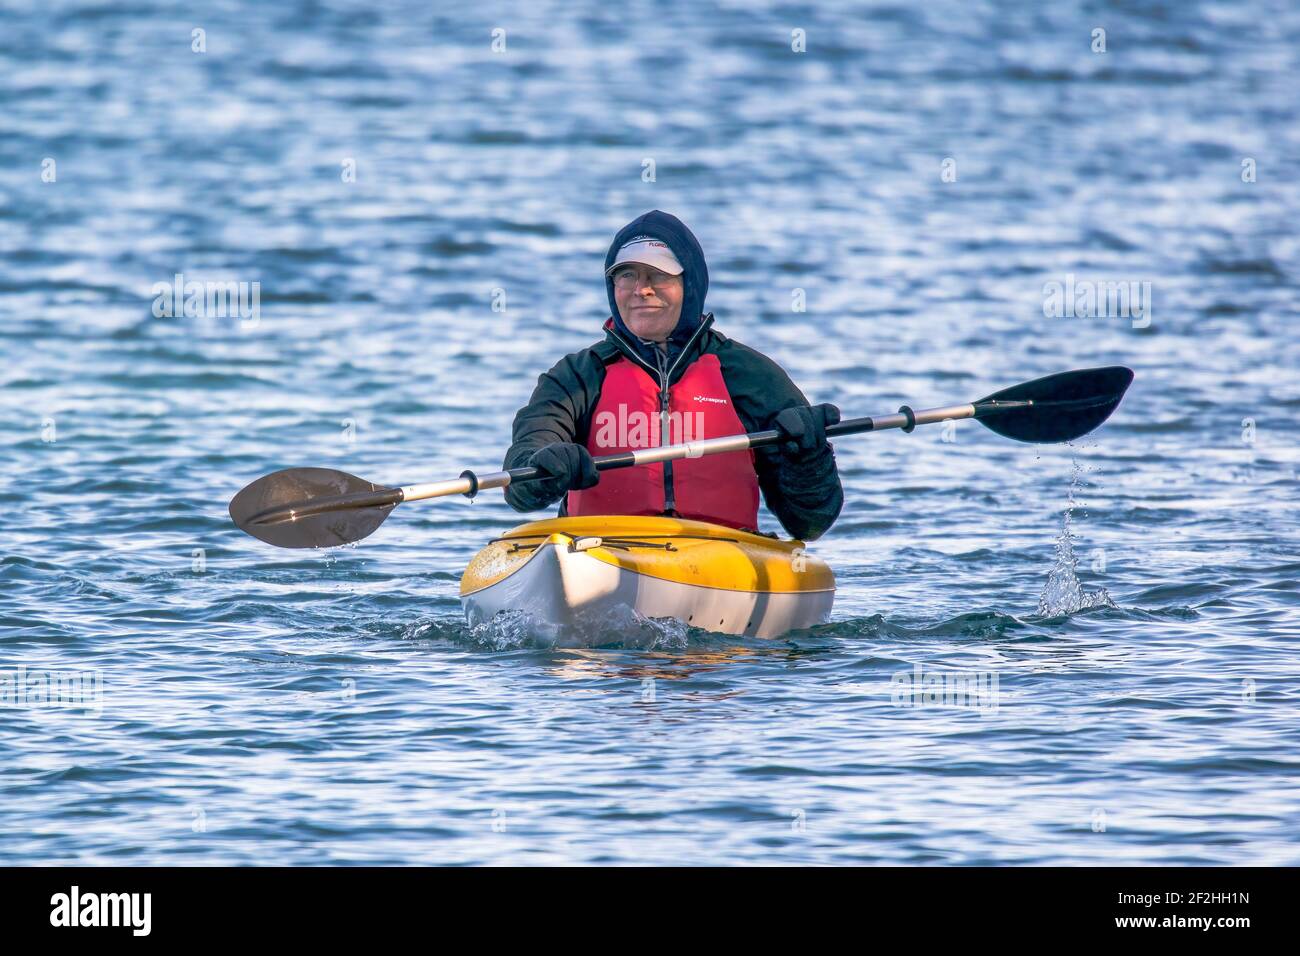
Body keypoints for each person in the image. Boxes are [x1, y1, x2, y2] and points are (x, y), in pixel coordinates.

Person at [502, 209, 842, 540]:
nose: (641, 289)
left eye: (658, 275)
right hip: (598, 555)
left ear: (690, 284)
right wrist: (543, 467)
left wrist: (809, 460)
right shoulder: (577, 376)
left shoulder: (751, 376)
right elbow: (520, 483)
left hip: (722, 557)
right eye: (627, 275)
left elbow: (810, 524)